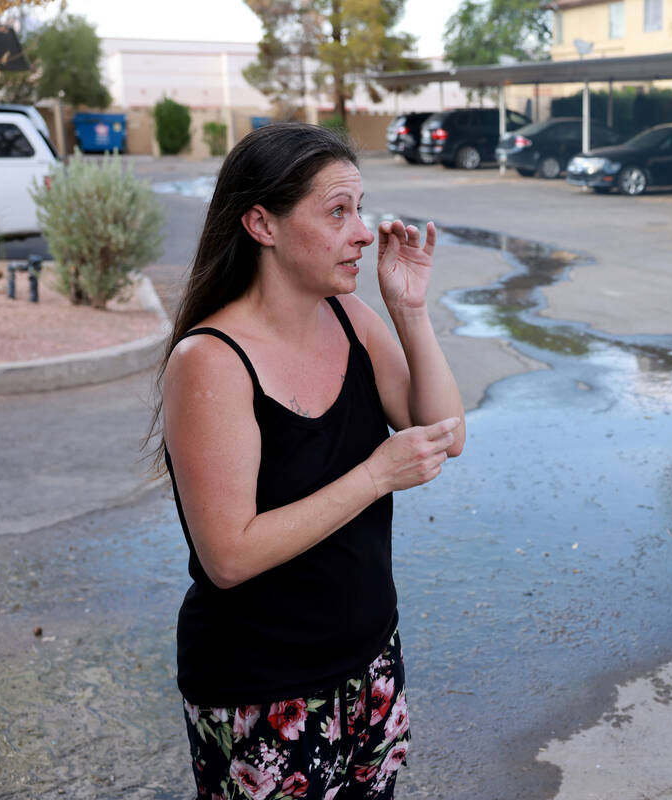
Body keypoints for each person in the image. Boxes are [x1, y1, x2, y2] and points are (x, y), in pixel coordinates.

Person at [148, 122, 465, 799]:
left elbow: (443, 432)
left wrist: (409, 311)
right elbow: (228, 557)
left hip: (370, 661)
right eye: (337, 211)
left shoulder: (350, 317)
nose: (362, 231)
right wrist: (377, 474)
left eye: (359, 207)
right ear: (262, 223)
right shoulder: (210, 361)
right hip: (263, 691)